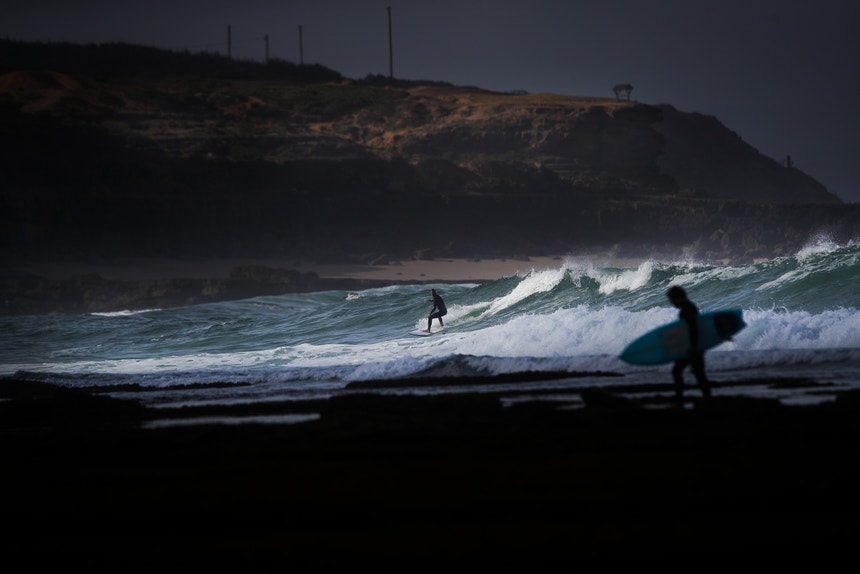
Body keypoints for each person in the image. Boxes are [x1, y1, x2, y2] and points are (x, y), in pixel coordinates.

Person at [666, 285, 711, 403]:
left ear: (678, 297)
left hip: (693, 347)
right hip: (694, 346)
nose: (671, 303)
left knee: (679, 371)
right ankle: (707, 399)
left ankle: (680, 398)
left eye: (671, 300)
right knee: (698, 373)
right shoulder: (688, 307)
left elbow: (693, 329)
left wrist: (692, 346)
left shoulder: (687, 309)